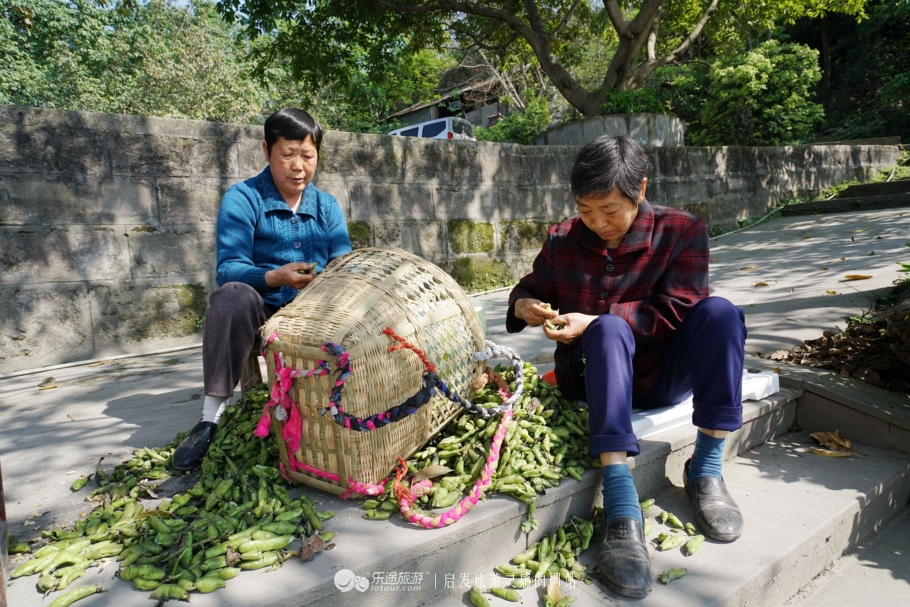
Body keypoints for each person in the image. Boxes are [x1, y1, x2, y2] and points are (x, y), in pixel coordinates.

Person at [506, 135, 747, 599]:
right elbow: (527, 288)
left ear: (640, 188)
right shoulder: (562, 238)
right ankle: (620, 504)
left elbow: (678, 309)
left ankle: (707, 467)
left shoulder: (682, 231)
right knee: (608, 333)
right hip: (590, 375)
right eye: (585, 210)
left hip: (662, 377)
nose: (597, 223)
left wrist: (597, 317)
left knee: (720, 313)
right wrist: (526, 307)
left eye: (610, 210)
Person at [172, 108, 352, 471]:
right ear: (267, 150)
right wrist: (275, 277)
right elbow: (229, 267)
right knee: (231, 296)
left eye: (308, 155)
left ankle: (345, 404)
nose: (298, 166)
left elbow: (343, 263)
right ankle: (210, 418)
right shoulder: (243, 198)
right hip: (261, 311)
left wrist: (331, 277)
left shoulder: (327, 206)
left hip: (315, 316)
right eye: (287, 154)